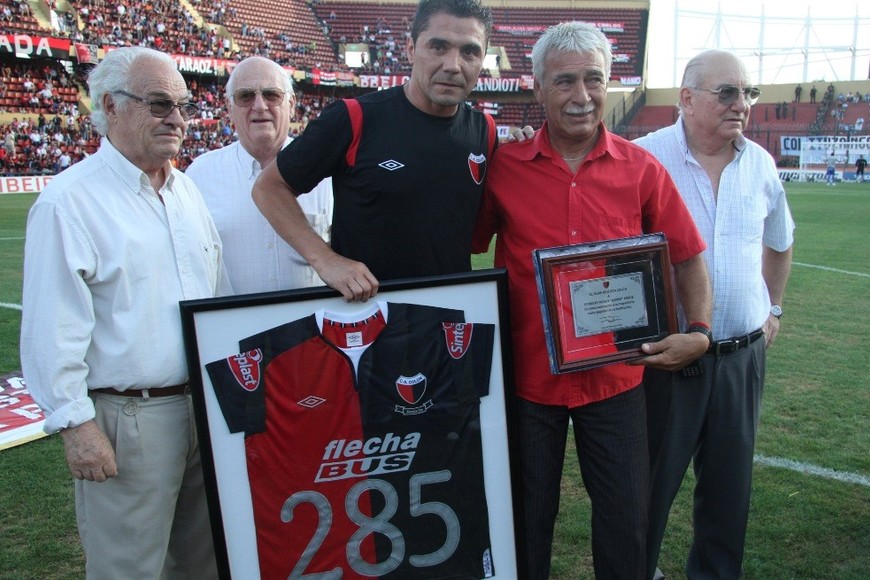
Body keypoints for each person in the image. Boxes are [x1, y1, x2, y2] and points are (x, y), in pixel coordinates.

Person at [473, 22, 713, 579]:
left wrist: (699, 330)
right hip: (529, 381)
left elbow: (687, 256)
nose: (581, 95)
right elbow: (463, 242)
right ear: (538, 88)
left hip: (618, 381)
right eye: (564, 81)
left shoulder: (641, 168)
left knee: (626, 525)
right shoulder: (504, 168)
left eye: (593, 79)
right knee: (526, 523)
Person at [19, 47, 228, 579]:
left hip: (205, 408)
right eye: (159, 104)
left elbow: (216, 296)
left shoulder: (186, 191)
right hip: (130, 419)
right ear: (110, 106)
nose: (177, 118)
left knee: (204, 563)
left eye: (183, 105)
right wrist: (75, 424)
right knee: (128, 568)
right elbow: (50, 329)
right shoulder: (70, 202)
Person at [635, 49, 795, 580]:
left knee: (729, 496)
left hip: (742, 358)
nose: (741, 104)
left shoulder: (761, 163)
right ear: (687, 98)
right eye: (727, 92)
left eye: (748, 92)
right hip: (669, 359)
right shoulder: (644, 157)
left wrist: (773, 308)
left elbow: (780, 241)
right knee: (647, 489)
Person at [252, 0, 496, 302]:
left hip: (451, 316)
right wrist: (324, 259)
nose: (453, 65)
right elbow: (269, 187)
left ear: (483, 59)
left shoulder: (485, 131)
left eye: (469, 51)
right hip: (368, 316)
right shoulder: (354, 117)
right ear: (411, 49)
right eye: (438, 47)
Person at [186, 56, 333, 294]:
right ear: (229, 107)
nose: (260, 106)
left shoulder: (327, 172)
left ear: (291, 104)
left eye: (271, 95)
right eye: (245, 96)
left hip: (314, 318)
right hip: (234, 319)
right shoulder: (200, 175)